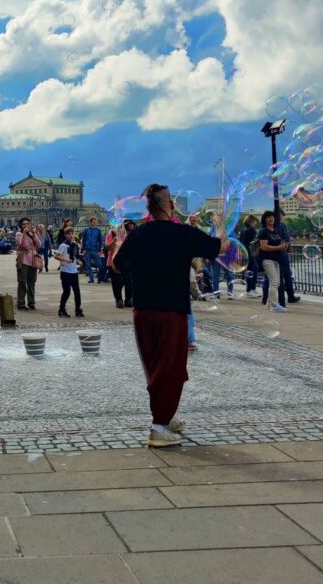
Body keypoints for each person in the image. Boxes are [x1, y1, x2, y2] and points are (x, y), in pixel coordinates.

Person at [112, 184, 226, 448]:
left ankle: (167, 415)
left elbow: (117, 267)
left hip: (143, 310)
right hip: (171, 310)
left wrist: (123, 248)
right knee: (170, 368)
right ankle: (159, 427)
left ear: (148, 207)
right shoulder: (182, 233)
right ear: (169, 205)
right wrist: (220, 224)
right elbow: (219, 247)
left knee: (156, 366)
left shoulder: (138, 234)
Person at [257, 211, 287, 313]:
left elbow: (277, 243)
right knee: (274, 282)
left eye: (272, 217)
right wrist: (278, 247)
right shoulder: (263, 231)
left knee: (275, 283)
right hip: (267, 259)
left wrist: (283, 246)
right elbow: (263, 247)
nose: (271, 219)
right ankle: (274, 306)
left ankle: (269, 304)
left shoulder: (275, 230)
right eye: (268, 217)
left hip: (276, 259)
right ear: (264, 219)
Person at [54, 225, 83, 318]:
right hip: (65, 272)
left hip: (74, 271)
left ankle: (78, 310)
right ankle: (61, 310)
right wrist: (65, 260)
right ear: (65, 235)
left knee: (77, 292)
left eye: (72, 234)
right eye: (69, 234)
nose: (71, 235)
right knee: (67, 291)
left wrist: (78, 261)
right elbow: (56, 256)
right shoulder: (63, 245)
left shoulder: (74, 245)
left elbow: (75, 256)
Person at [15, 217, 41, 311]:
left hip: (33, 260)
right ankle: (21, 303)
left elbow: (39, 244)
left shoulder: (32, 234)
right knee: (22, 282)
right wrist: (24, 234)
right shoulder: (19, 234)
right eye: (23, 224)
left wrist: (34, 234)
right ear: (21, 226)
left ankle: (31, 302)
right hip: (23, 260)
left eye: (27, 224)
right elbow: (24, 245)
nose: (26, 225)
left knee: (31, 283)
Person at [81, 216, 104, 283]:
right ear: (90, 222)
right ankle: (91, 279)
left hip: (95, 250)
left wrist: (99, 250)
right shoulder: (86, 230)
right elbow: (84, 240)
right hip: (87, 250)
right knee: (88, 265)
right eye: (94, 222)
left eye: (96, 222)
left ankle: (99, 278)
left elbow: (100, 241)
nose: (95, 223)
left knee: (100, 265)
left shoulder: (98, 231)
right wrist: (83, 249)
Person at [240, 215, 260, 293]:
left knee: (253, 269)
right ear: (251, 222)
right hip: (250, 253)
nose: (255, 223)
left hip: (245, 252)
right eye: (254, 222)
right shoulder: (251, 230)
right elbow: (255, 241)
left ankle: (252, 289)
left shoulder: (243, 230)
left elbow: (241, 242)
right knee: (252, 270)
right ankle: (250, 289)